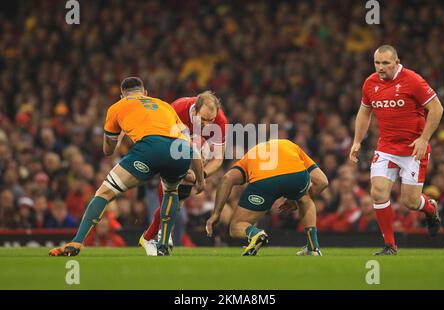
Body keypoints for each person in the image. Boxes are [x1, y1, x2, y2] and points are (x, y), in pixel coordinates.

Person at [49, 77, 205, 257]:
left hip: (149, 148)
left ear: (122, 95)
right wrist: (200, 180)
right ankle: (163, 246)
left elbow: (108, 151)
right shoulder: (164, 105)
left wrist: (120, 132)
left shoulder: (117, 107)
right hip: (180, 150)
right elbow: (190, 145)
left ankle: (76, 242)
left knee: (104, 193)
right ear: (145, 93)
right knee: (171, 192)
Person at [349, 45, 444, 255]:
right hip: (386, 148)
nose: (380, 68)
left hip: (413, 150)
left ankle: (430, 208)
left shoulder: (413, 81)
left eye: (385, 63)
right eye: (377, 63)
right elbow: (365, 113)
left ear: (397, 62)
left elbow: (437, 108)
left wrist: (424, 139)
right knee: (378, 192)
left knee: (410, 201)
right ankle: (390, 246)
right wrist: (357, 141)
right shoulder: (370, 83)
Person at [139, 91, 228, 256]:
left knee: (180, 196)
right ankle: (160, 231)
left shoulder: (221, 121)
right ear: (194, 112)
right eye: (204, 119)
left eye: (212, 120)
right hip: (169, 148)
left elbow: (218, 159)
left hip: (194, 157)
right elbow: (166, 146)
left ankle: (158, 232)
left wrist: (202, 174)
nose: (208, 125)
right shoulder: (177, 109)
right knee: (172, 186)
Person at [206, 139, 328, 256]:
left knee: (236, 226)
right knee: (305, 198)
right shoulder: (290, 146)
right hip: (296, 176)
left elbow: (227, 179)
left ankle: (256, 234)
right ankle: (313, 247)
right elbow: (322, 182)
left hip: (264, 182)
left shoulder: (250, 156)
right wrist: (295, 200)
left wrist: (216, 214)